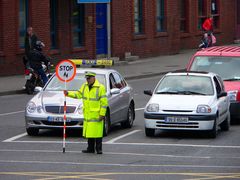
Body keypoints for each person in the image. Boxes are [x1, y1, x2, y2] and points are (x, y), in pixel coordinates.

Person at [64, 71, 108, 154]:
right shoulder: (84, 86)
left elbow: (104, 103)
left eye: (89, 78)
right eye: (87, 78)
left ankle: (99, 149)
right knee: (90, 133)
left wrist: (102, 114)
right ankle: (90, 148)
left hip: (96, 114)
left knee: (98, 133)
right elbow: (78, 94)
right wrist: (68, 94)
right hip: (88, 114)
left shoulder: (100, 87)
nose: (87, 80)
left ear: (94, 78)